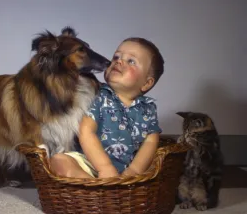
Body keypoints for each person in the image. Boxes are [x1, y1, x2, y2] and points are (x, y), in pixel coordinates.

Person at [50, 37, 164, 178]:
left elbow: (151, 141)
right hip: (90, 164)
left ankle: (106, 191)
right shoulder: (98, 94)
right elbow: (86, 131)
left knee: (157, 171)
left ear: (147, 83)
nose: (119, 61)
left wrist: (134, 171)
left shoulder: (148, 108)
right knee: (58, 160)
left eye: (131, 61)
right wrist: (105, 167)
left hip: (128, 169)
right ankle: (93, 188)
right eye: (116, 56)